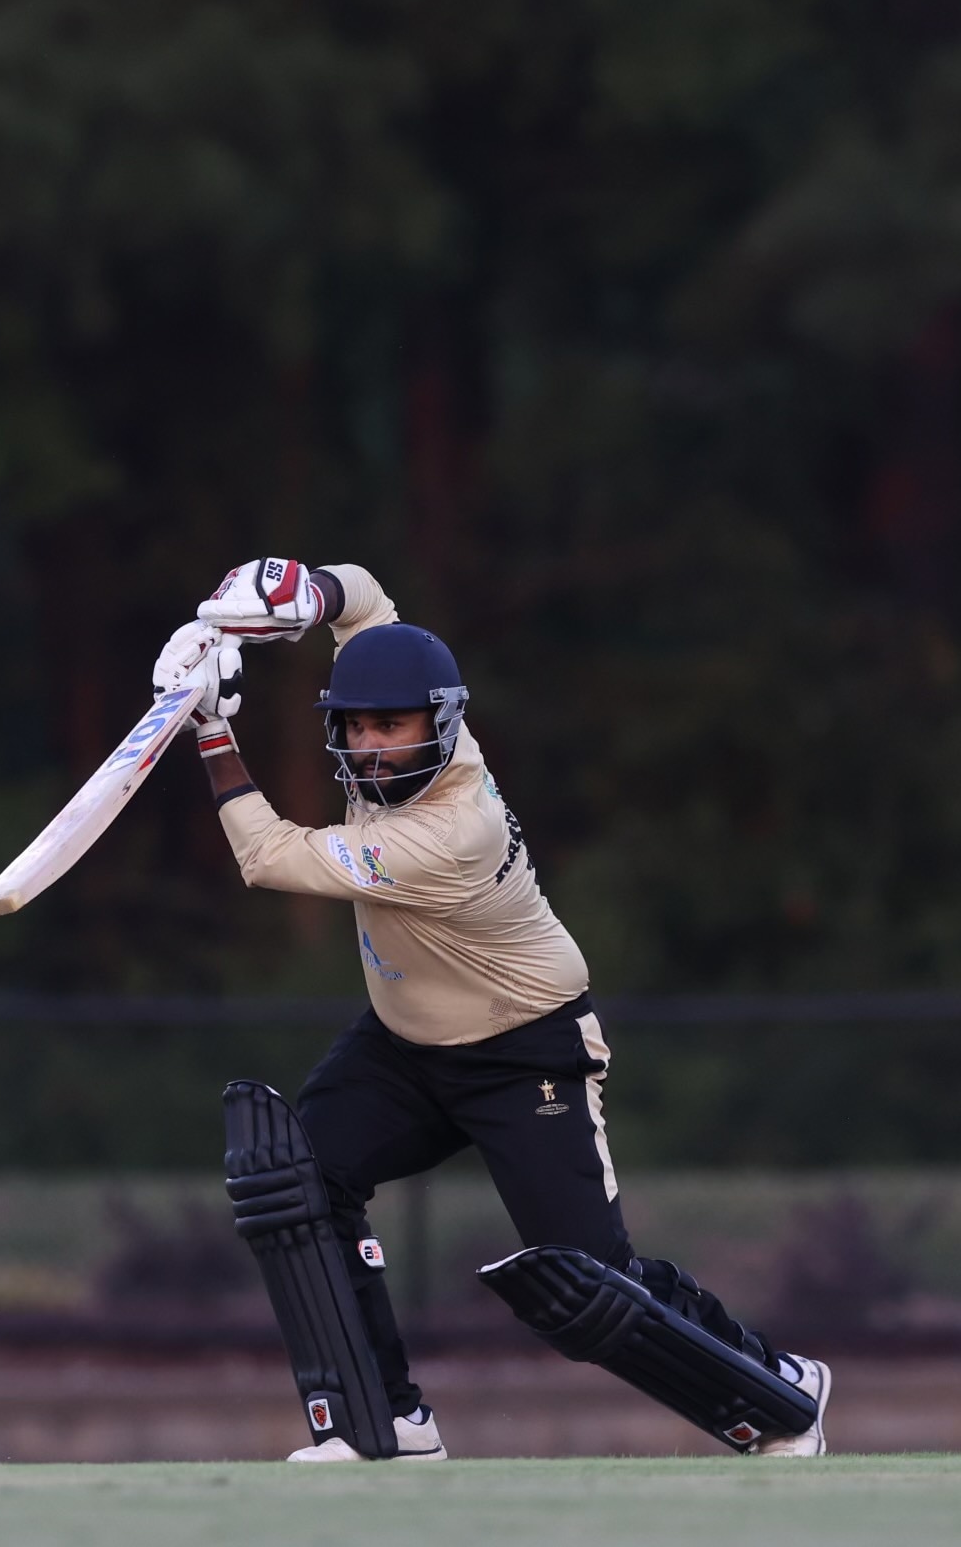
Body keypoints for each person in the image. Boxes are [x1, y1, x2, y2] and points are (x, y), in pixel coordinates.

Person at [150, 558, 829, 1462]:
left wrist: (207, 727)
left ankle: (780, 1384)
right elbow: (375, 601)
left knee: (592, 1284)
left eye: (389, 727)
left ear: (441, 726)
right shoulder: (408, 743)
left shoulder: (445, 834)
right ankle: (383, 1418)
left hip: (525, 1050)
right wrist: (301, 593)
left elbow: (268, 856)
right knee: (299, 1180)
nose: (368, 747)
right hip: (403, 1047)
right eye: (352, 726)